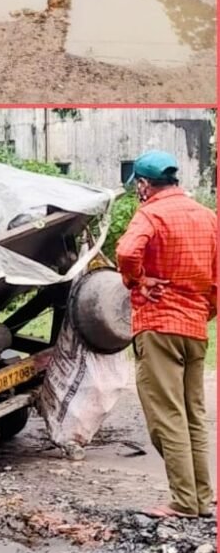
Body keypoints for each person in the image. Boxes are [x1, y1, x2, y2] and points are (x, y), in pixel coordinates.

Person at [116, 150, 217, 519]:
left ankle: (184, 502)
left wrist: (138, 280)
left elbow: (127, 251)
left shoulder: (151, 213)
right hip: (195, 328)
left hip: (159, 325)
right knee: (193, 415)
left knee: (167, 417)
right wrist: (206, 310)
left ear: (143, 184)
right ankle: (201, 498)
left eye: (137, 186)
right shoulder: (208, 217)